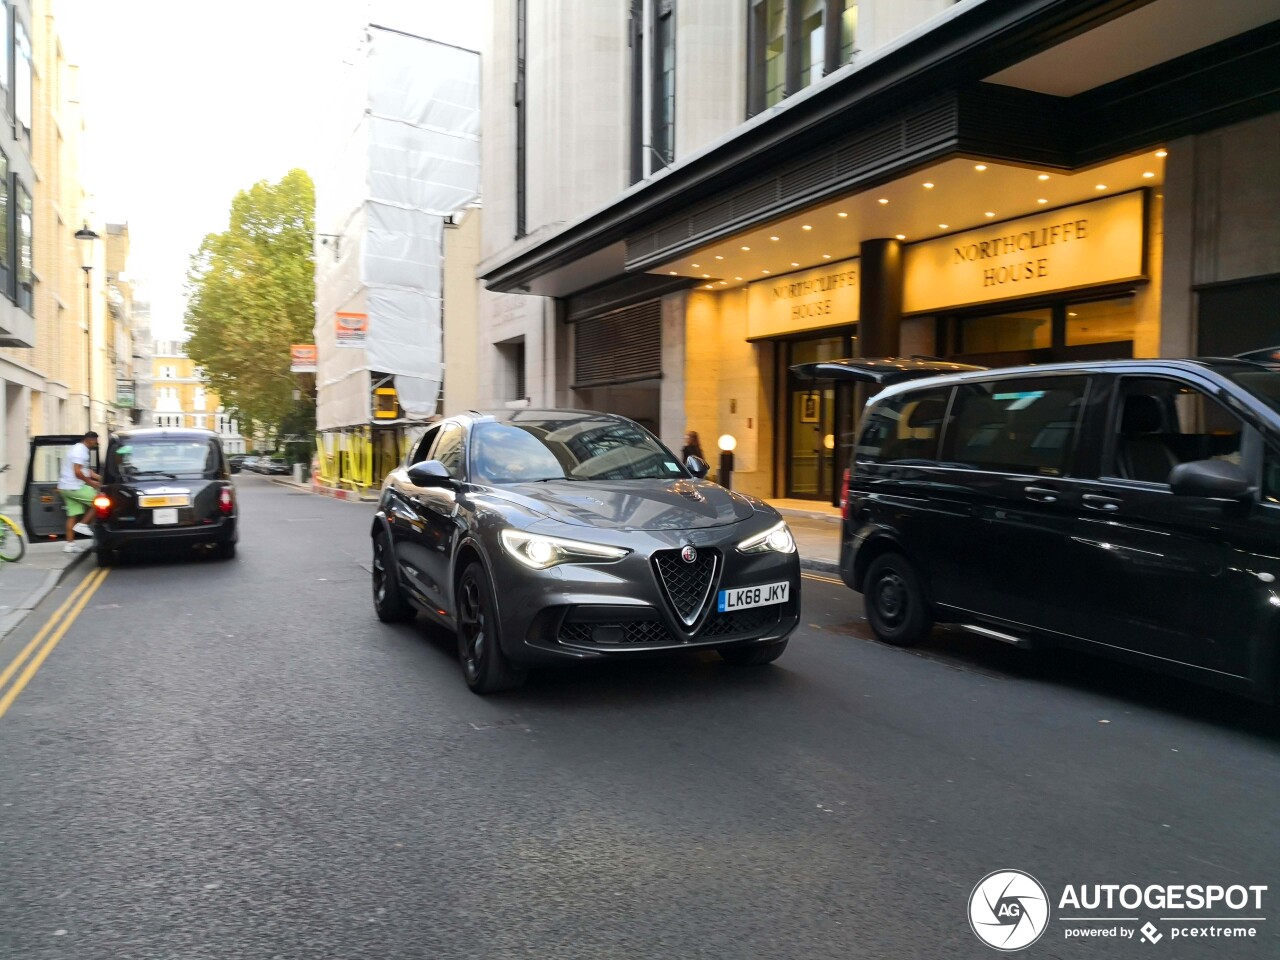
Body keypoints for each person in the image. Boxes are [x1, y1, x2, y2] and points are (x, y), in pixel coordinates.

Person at [57, 431, 101, 553]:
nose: (96, 443)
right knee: (99, 501)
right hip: (74, 486)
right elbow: (77, 472)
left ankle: (69, 545)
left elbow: (87, 471)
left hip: (65, 487)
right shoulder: (81, 451)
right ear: (90, 439)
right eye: (95, 440)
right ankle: (83, 524)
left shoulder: (77, 449)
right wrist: (92, 483)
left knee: (72, 515)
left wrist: (101, 479)